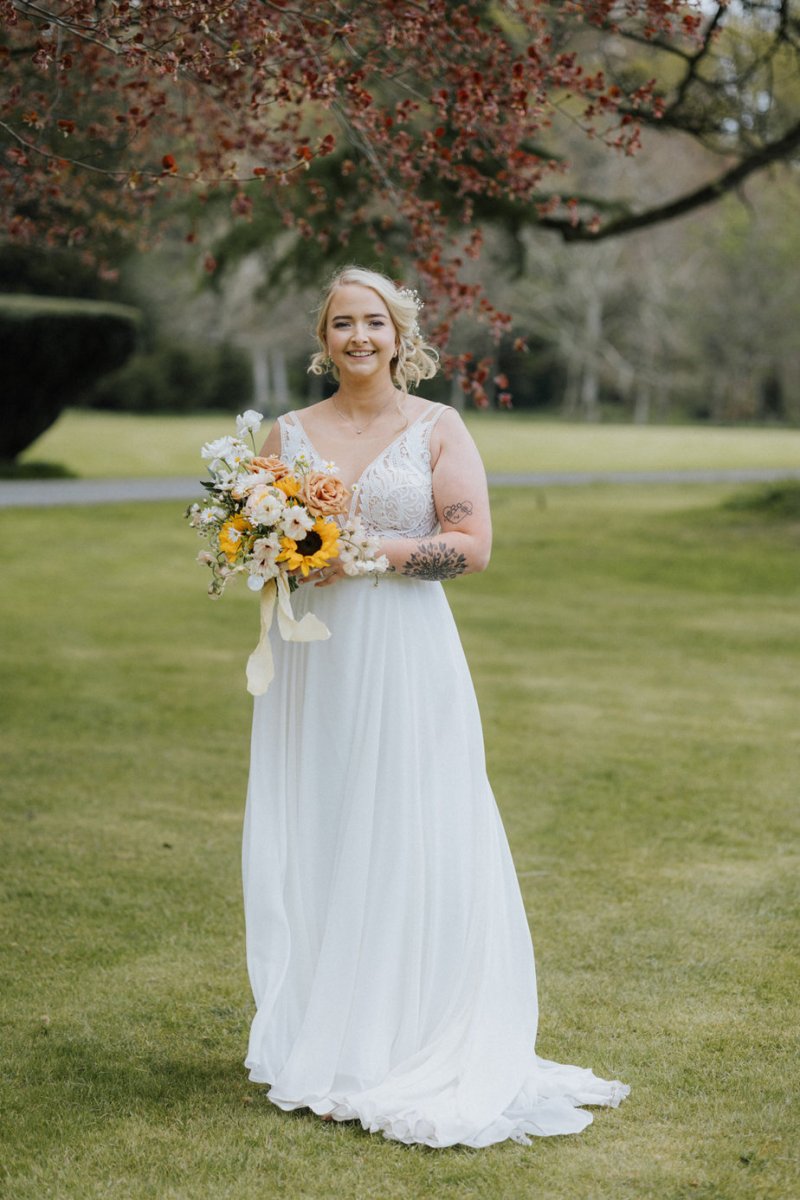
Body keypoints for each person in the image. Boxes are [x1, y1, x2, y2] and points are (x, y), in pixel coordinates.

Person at [241, 266, 629, 1147]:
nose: (359, 338)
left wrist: (365, 551)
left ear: (399, 333)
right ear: (323, 337)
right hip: (318, 665)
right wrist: (279, 555)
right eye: (343, 324)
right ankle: (332, 1030)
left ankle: (411, 1031)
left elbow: (472, 545)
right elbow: (263, 543)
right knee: (327, 823)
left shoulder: (437, 428)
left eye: (373, 322)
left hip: (408, 656)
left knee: (413, 826)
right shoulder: (286, 434)